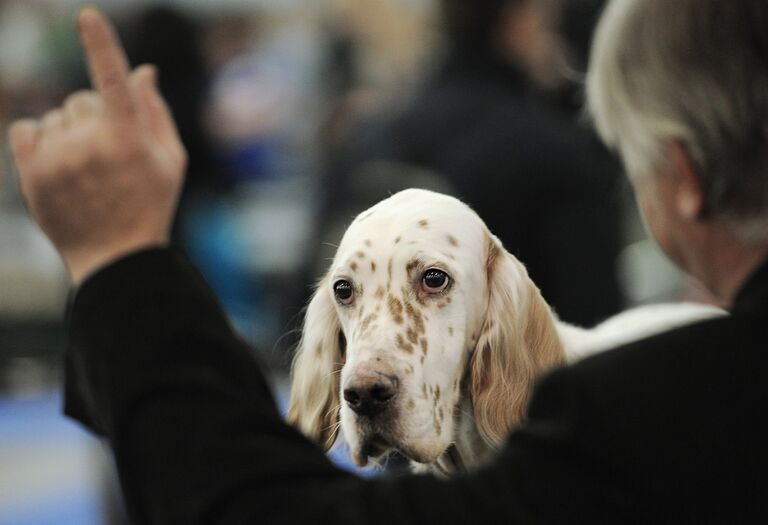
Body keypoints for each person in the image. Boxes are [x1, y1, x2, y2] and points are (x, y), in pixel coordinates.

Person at [7, 1, 768, 522]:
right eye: (347, 294)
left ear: (684, 179)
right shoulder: (678, 372)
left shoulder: (653, 406)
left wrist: (116, 256)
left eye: (432, 282)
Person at [322, 0, 623, 326]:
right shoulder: (559, 157)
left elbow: (309, 307)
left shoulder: (365, 143)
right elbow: (593, 326)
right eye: (548, 23)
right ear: (520, 22)